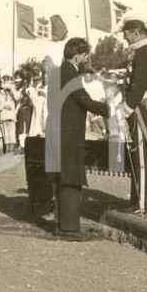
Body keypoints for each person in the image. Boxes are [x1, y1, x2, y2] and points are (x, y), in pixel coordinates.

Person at [48, 37, 110, 241]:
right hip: (68, 135)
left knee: (61, 180)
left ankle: (60, 225)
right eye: (85, 56)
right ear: (77, 55)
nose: (85, 60)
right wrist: (111, 109)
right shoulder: (70, 74)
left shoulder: (57, 72)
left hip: (58, 132)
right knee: (71, 180)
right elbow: (84, 100)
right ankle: (69, 229)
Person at [119, 12, 147, 213]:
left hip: (140, 108)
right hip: (143, 105)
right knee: (144, 155)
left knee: (141, 157)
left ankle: (144, 203)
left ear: (136, 33)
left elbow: (139, 85)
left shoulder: (144, 53)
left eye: (126, 34)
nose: (124, 38)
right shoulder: (144, 51)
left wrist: (126, 108)